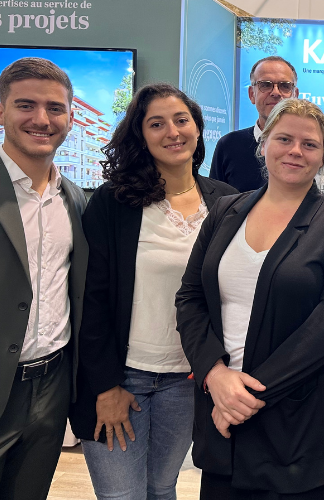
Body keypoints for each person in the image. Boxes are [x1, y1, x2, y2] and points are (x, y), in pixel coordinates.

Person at [176, 98, 324, 499]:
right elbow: (190, 297)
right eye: (284, 139)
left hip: (294, 430)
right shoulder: (226, 212)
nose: (295, 151)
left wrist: (245, 395)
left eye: (309, 144)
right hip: (220, 423)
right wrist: (215, 375)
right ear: (263, 144)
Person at [68, 83, 237, 499]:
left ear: (198, 128)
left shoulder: (228, 202)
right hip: (123, 376)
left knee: (161, 488)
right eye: (156, 124)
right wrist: (105, 386)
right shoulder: (113, 202)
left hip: (187, 378)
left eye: (181, 120)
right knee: (121, 495)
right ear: (141, 136)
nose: (172, 132)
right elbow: (91, 299)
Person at [0, 57, 88, 499]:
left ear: (70, 118)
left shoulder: (75, 199)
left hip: (50, 393)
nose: (42, 119)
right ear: (0, 111)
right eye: (26, 105)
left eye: (55, 108)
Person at [209, 56, 324, 192]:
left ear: (295, 95)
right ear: (252, 94)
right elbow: (215, 200)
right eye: (265, 85)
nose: (275, 92)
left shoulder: (319, 150)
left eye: (285, 86)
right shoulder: (229, 145)